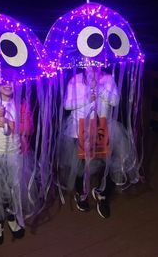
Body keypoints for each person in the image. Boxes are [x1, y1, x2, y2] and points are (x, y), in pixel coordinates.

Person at [58, 67, 134, 218]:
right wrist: (87, 97)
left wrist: (99, 89)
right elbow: (67, 104)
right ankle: (81, 193)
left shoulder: (108, 79)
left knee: (105, 163)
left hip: (102, 128)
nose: (91, 67)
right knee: (79, 165)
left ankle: (102, 194)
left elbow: (115, 100)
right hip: (78, 130)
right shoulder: (75, 80)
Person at [0, 82, 36, 245]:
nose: (7, 84)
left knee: (13, 191)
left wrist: (11, 124)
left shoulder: (21, 104)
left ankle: (11, 218)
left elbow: (29, 129)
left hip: (16, 156)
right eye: (3, 81)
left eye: (11, 81)